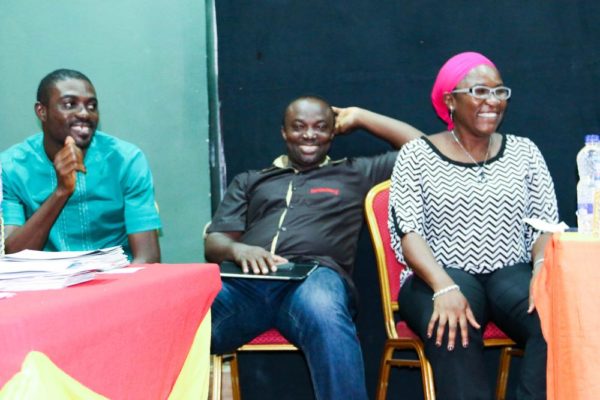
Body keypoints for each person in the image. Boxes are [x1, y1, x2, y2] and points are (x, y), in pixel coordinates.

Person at [205, 95, 422, 399]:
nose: (309, 135)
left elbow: (423, 150)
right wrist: (239, 251)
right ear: (284, 132)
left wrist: (359, 116)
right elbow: (215, 240)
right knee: (183, 319)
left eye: (320, 127)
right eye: (299, 127)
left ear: (333, 133)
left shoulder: (355, 172)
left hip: (313, 279)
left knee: (325, 313)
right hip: (248, 283)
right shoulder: (252, 180)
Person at [387, 52, 558, 399]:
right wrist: (443, 288)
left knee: (558, 316)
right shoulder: (417, 155)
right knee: (453, 328)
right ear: (450, 100)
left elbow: (544, 225)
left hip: (510, 271)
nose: (492, 102)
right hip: (437, 274)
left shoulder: (524, 151)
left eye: (499, 92)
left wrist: (541, 267)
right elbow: (409, 233)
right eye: (479, 91)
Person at [1, 69, 161, 263]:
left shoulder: (126, 160)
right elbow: (11, 256)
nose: (85, 113)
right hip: (47, 285)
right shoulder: (11, 167)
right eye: (70, 104)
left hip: (118, 281)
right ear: (42, 111)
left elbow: (148, 257)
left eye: (92, 106)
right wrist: (61, 192)